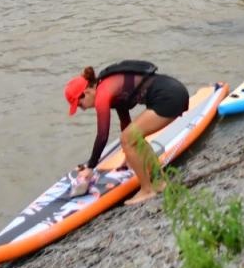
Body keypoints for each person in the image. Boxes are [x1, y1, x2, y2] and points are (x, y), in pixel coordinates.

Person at [64, 61, 190, 206]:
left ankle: (147, 190)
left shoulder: (103, 94)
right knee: (131, 138)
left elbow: (102, 135)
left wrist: (90, 167)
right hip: (173, 92)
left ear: (86, 92)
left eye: (80, 105)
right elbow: (125, 122)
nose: (83, 109)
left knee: (127, 139)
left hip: (168, 97)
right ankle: (159, 182)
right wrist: (129, 154)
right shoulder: (108, 88)